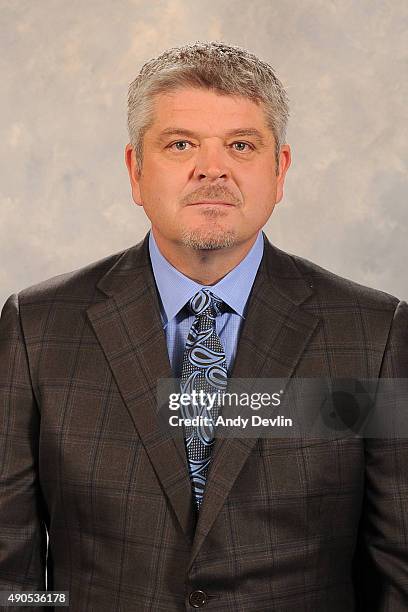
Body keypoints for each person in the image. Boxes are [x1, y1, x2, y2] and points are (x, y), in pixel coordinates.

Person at [0, 41, 407, 612]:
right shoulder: (36, 327)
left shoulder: (373, 332)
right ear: (135, 170)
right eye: (180, 144)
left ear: (280, 169)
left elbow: (398, 567)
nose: (212, 169)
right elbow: (10, 574)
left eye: (241, 145)